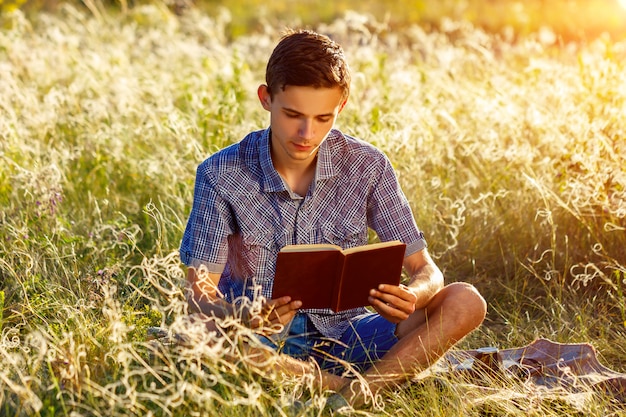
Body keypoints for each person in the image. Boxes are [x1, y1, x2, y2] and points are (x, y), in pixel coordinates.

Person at [179, 28, 486, 409]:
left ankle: (358, 389)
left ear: (341, 106)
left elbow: (427, 270)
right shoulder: (220, 173)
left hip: (351, 333)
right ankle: (353, 387)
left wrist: (413, 294)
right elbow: (198, 295)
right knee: (197, 334)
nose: (307, 133)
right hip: (261, 339)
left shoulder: (368, 165)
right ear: (266, 98)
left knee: (465, 301)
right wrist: (245, 313)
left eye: (323, 117)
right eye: (292, 114)